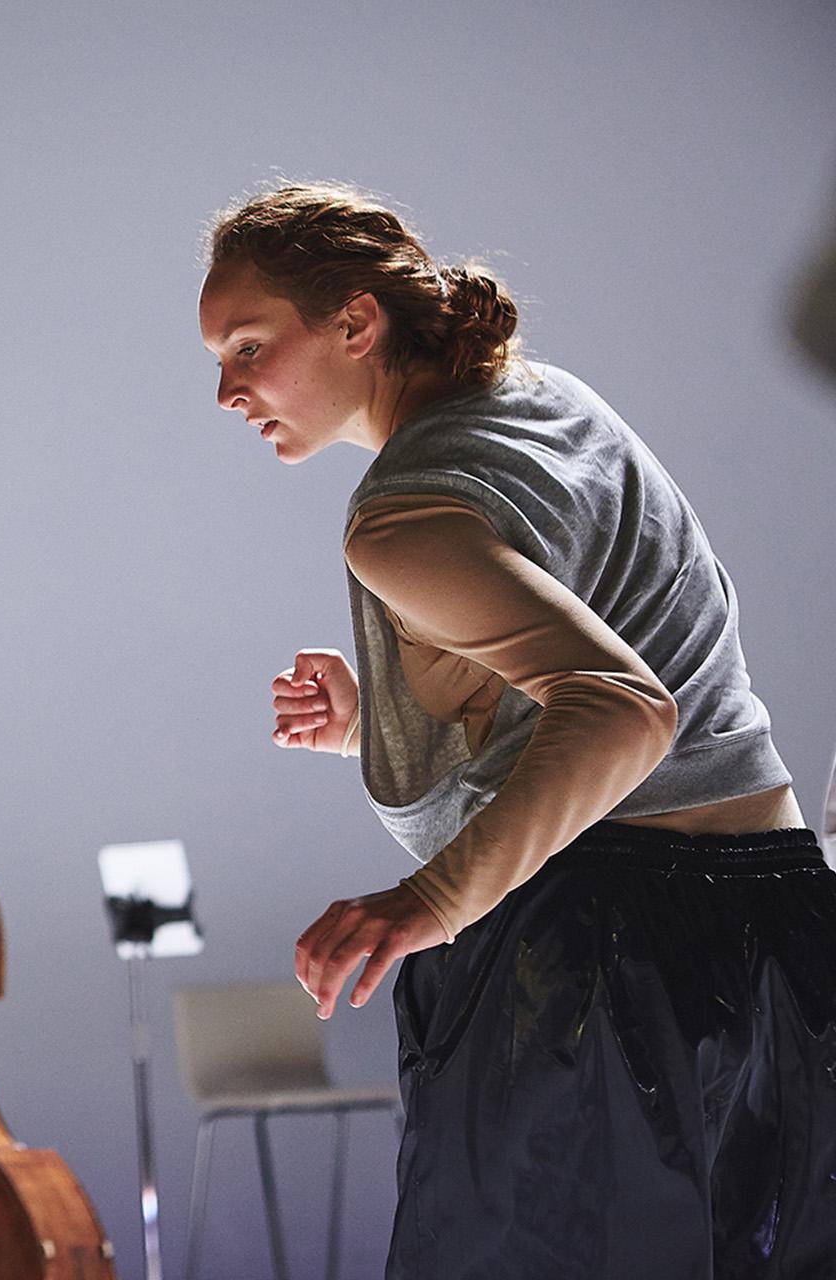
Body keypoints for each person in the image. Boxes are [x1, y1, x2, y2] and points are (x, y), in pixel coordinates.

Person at [198, 183, 836, 1277]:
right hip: (787, 930)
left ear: (356, 322)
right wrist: (382, 719)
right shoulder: (551, 404)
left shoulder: (400, 517)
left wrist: (429, 898)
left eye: (249, 345)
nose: (226, 389)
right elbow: (641, 666)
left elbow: (627, 709)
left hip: (600, 967)